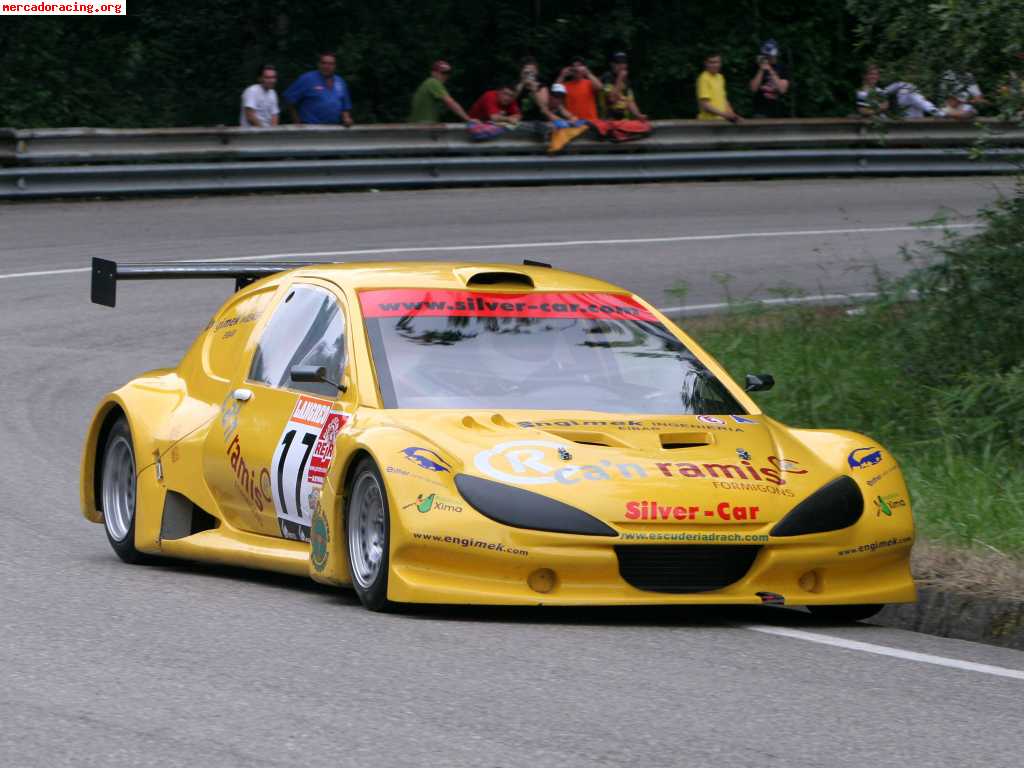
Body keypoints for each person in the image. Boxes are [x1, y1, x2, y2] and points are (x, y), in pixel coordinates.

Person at [283, 51, 353, 126]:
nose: (327, 66)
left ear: (335, 66)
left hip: (334, 128)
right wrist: (297, 121)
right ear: (319, 64)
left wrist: (347, 118)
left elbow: (345, 106)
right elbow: (288, 98)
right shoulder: (307, 78)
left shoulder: (340, 81)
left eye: (330, 64)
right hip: (310, 128)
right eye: (324, 63)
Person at [408, 60, 474, 123]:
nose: (445, 76)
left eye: (447, 73)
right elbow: (450, 103)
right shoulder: (433, 82)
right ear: (433, 73)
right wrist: (468, 120)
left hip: (419, 126)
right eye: (442, 73)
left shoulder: (426, 83)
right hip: (423, 128)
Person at [748, 39, 790, 118]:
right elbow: (753, 89)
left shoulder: (782, 67)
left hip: (778, 111)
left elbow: (782, 89)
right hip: (759, 112)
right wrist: (761, 69)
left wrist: (770, 70)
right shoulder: (756, 67)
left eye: (770, 56)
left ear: (776, 54)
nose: (769, 58)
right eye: (766, 55)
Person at [600, 51, 648, 120]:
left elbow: (630, 101)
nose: (622, 66)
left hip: (624, 120)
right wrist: (620, 78)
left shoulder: (626, 80)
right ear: (612, 64)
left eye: (624, 63)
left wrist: (638, 115)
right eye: (619, 63)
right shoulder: (607, 78)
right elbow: (612, 99)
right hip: (609, 120)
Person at [556, 56, 602, 122]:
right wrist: (562, 76)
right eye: (574, 67)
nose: (576, 69)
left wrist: (588, 73)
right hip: (574, 123)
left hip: (591, 122)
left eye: (579, 66)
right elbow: (554, 93)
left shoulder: (589, 83)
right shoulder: (565, 85)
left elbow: (600, 87)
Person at [697, 53, 741, 122]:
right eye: (711, 62)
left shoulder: (720, 77)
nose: (715, 65)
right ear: (705, 63)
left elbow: (724, 100)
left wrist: (733, 115)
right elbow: (705, 105)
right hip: (708, 122)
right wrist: (725, 115)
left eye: (717, 62)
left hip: (721, 121)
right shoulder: (703, 78)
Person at [515, 56, 559, 122]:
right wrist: (522, 83)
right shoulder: (518, 85)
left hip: (538, 121)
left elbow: (543, 108)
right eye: (527, 71)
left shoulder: (542, 87)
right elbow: (510, 101)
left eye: (532, 71)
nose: (530, 74)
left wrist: (534, 90)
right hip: (520, 121)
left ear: (536, 71)